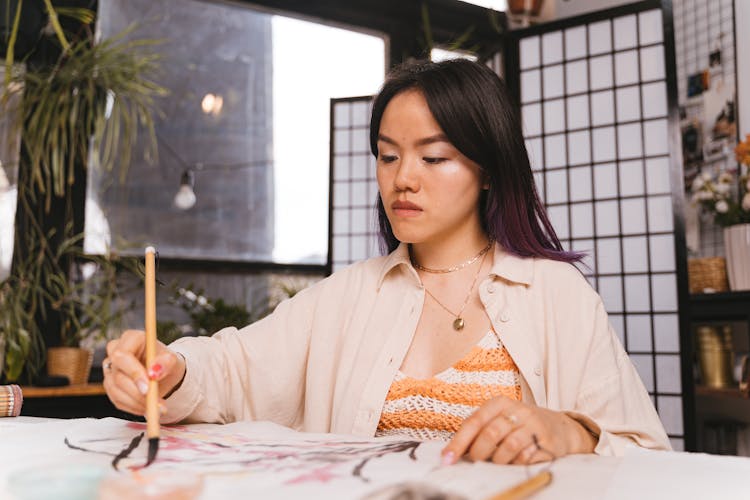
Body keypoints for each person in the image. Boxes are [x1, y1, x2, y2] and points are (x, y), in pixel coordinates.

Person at [103, 59, 670, 466]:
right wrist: (169, 370)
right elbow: (229, 370)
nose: (403, 178)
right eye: (388, 155)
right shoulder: (350, 295)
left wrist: (567, 431)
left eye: (434, 156)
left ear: (489, 167)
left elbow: (644, 452)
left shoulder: (555, 294)